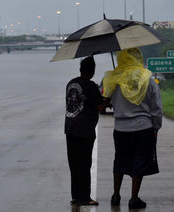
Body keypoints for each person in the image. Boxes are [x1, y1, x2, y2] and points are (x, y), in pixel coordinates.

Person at [102, 48, 163, 209]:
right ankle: (133, 198)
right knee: (140, 161)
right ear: (138, 58)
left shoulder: (113, 79)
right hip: (143, 128)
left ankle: (116, 195)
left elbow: (106, 98)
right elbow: (156, 107)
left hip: (120, 128)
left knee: (120, 160)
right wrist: (156, 127)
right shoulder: (147, 78)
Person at [65, 56, 105, 206]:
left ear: (80, 69)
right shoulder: (91, 86)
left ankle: (75, 196)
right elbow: (100, 107)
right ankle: (85, 198)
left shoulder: (71, 83)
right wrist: (109, 97)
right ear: (93, 71)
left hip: (70, 127)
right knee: (84, 163)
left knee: (74, 164)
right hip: (84, 130)